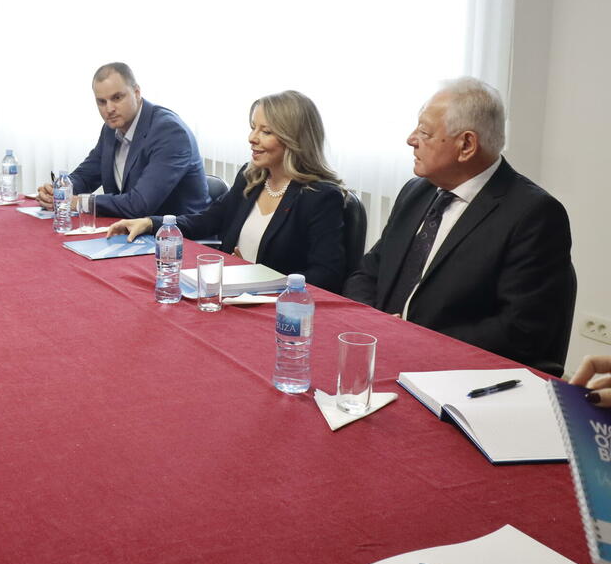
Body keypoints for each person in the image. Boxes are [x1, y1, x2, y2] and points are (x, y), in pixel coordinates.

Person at [344, 78, 576, 373]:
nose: (411, 139)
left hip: (455, 375)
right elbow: (367, 273)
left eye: (424, 132)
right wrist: (372, 323)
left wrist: (415, 340)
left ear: (466, 145)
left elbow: (521, 329)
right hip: (382, 352)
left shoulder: (533, 214)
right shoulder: (416, 192)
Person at [108, 90, 348, 292]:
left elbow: (326, 275)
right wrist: (151, 223)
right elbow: (206, 220)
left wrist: (261, 280)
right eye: (253, 128)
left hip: (276, 310)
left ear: (294, 139)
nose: (252, 138)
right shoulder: (251, 178)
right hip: (230, 296)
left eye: (265, 132)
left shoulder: (320, 197)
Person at [35, 62, 210, 219]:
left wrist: (80, 202)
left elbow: (140, 205)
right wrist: (59, 190)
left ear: (136, 93)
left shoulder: (170, 132)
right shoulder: (111, 129)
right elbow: (86, 176)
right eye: (101, 102)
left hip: (175, 237)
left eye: (117, 98)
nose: (109, 109)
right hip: (129, 231)